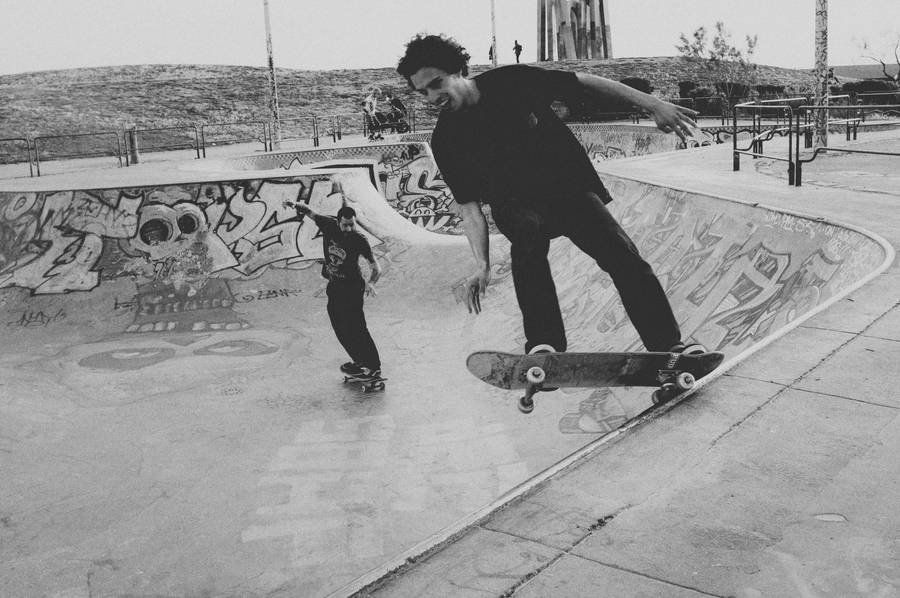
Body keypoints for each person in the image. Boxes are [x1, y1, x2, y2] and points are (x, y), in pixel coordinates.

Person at [396, 33, 707, 359]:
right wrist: (482, 265)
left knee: (623, 254)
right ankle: (545, 345)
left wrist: (653, 104)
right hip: (514, 204)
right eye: (423, 92)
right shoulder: (447, 139)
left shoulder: (511, 82)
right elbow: (469, 209)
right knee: (527, 235)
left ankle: (670, 348)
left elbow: (585, 82)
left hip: (566, 189)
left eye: (437, 83)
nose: (432, 97)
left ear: (458, 70)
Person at [288, 199, 383, 381]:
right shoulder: (328, 225)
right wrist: (293, 203)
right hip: (335, 287)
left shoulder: (359, 239)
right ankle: (359, 362)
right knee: (340, 327)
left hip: (353, 288)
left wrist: (371, 283)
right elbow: (309, 211)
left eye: (352, 225)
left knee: (357, 328)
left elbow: (376, 267)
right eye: (345, 225)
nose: (348, 229)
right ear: (338, 222)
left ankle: (374, 366)